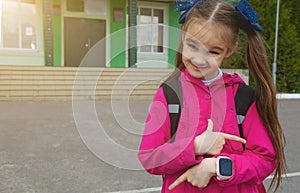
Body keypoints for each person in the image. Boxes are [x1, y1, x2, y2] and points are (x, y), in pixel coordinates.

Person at [138, 0, 286, 192]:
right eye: (192, 46)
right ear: (183, 37)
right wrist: (195, 147)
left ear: (230, 50)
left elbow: (265, 158)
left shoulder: (244, 98)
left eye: (213, 51)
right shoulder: (169, 94)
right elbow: (149, 157)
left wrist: (217, 167)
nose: (199, 59)